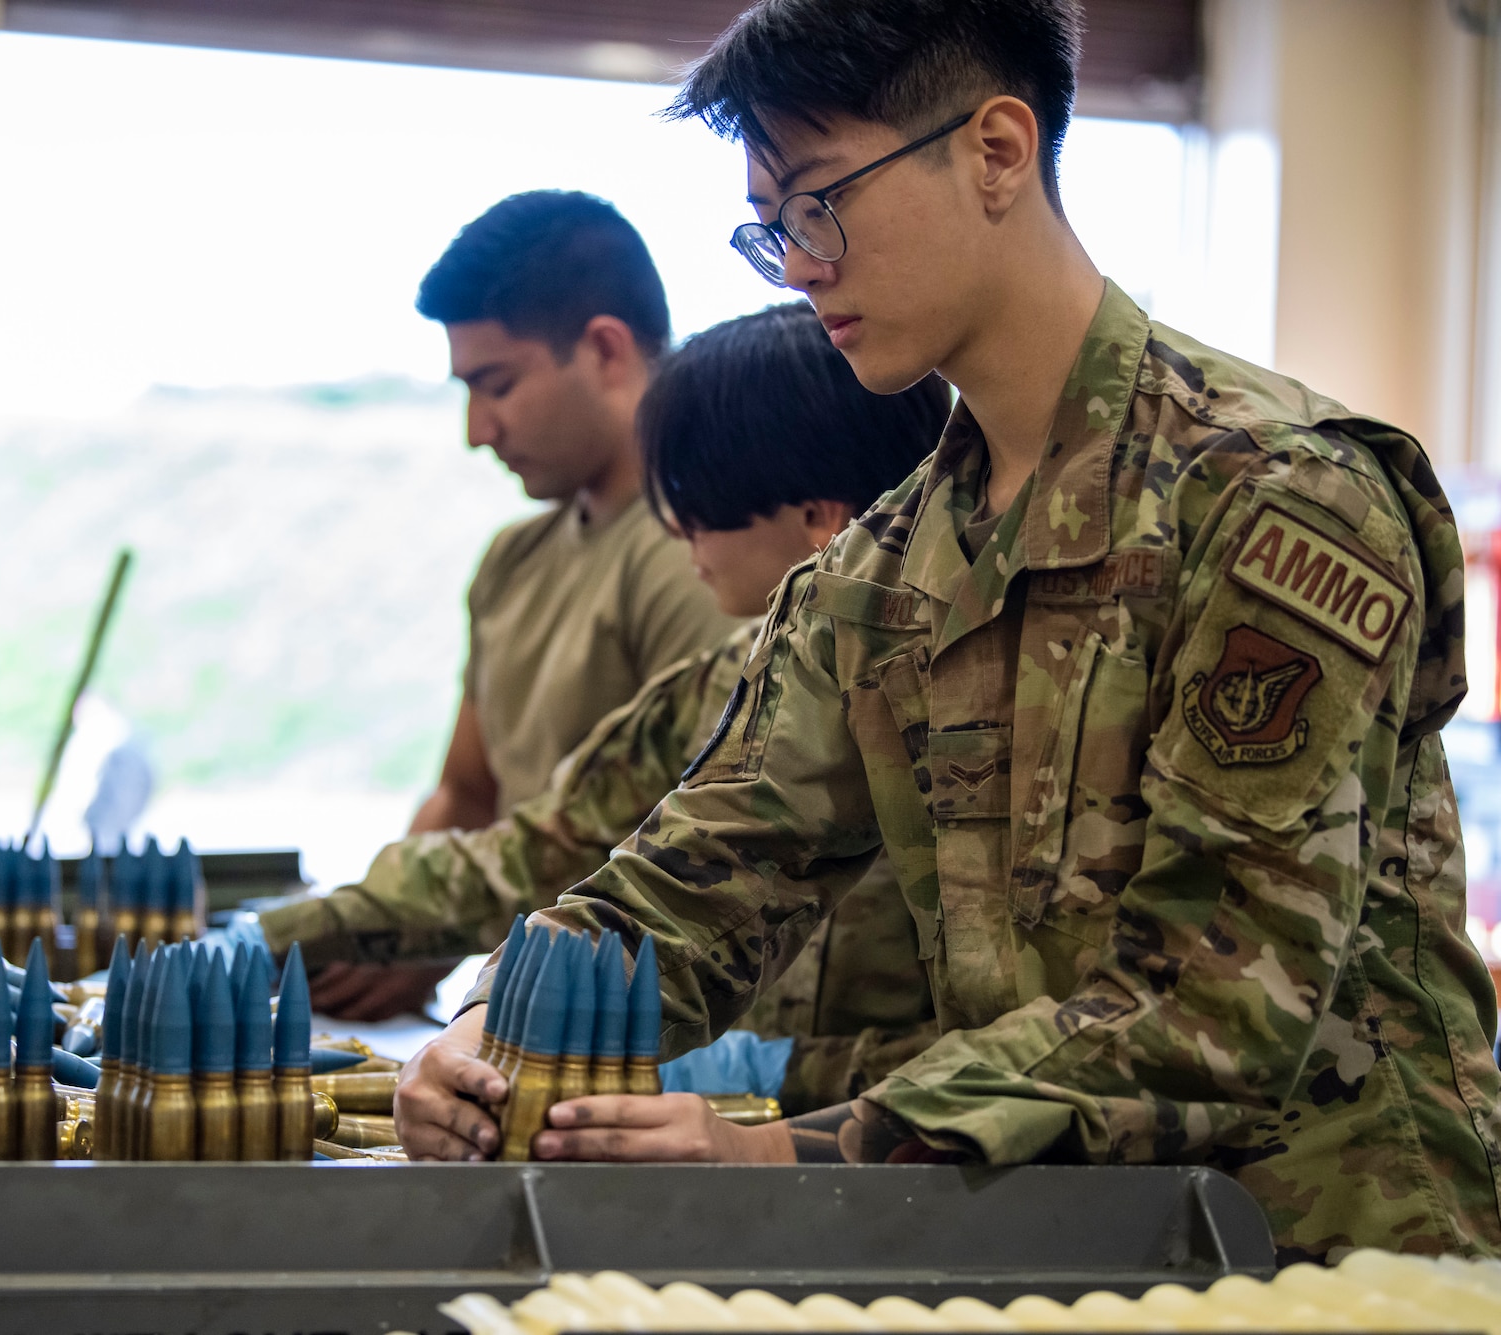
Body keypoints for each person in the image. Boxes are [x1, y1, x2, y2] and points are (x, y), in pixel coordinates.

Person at [393, 0, 1501, 1264]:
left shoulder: (1270, 497)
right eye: (769, 230)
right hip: (1058, 1250)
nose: (798, 262)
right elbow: (704, 871)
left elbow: (1216, 1007)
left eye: (818, 203)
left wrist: (786, 1150)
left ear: (993, 150)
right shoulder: (886, 566)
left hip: (1335, 1256)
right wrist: (493, 1028)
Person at [264, 304, 949, 1106]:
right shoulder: (725, 684)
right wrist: (276, 936)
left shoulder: (952, 699)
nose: (683, 546)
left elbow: (1022, 1043)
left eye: (697, 514)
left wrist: (781, 1074)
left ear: (819, 521)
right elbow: (544, 855)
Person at [315, 191, 745, 1018]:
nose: (478, 429)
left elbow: (704, 853)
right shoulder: (512, 562)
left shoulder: (701, 561)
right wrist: (382, 931)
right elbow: (467, 796)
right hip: (512, 1003)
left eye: (497, 384)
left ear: (606, 350)